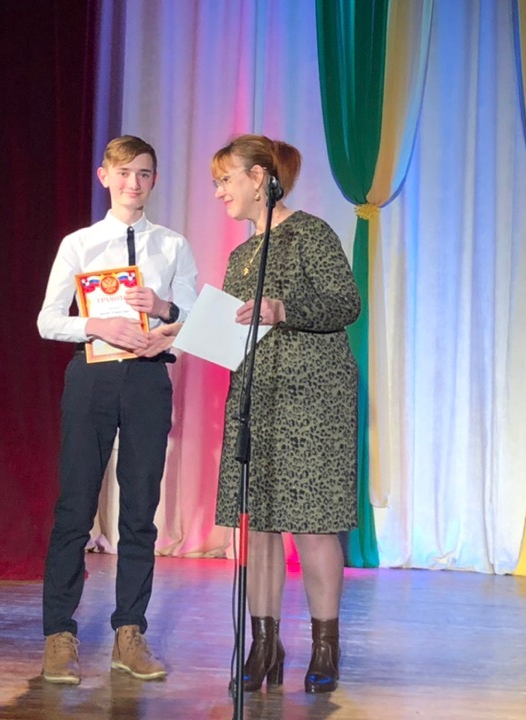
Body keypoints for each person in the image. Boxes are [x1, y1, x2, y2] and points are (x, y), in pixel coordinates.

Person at [36, 135, 198, 685]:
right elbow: (47, 320)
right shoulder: (80, 243)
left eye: (145, 173)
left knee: (140, 510)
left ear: (155, 180)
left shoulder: (172, 245)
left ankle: (130, 633)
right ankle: (59, 634)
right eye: (124, 172)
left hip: (149, 378)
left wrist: (164, 309)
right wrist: (96, 323)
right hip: (93, 376)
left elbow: (192, 320)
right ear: (104, 176)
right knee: (75, 506)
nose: (134, 183)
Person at [211, 134, 360, 694]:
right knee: (261, 525)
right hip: (259, 396)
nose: (219, 191)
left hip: (314, 398)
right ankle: (264, 645)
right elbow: (232, 328)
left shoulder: (309, 233)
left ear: (258, 179)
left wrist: (283, 308)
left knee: (314, 524)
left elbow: (346, 303)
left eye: (226, 179)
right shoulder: (241, 256)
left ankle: (325, 647)